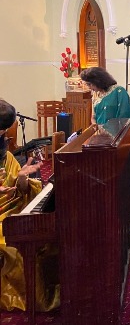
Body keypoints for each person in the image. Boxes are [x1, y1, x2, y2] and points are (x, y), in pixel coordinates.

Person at [0, 99, 60, 312]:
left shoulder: (4, 151)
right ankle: (33, 298)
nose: (3, 136)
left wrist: (23, 177)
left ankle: (54, 288)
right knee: (15, 247)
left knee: (43, 232)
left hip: (11, 206)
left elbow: (20, 188)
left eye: (4, 131)